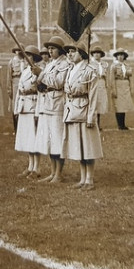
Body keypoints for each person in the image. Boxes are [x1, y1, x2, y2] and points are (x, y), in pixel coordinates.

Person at [62, 42, 103, 190]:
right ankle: (82, 179)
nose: (70, 54)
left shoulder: (90, 70)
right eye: (69, 52)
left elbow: (93, 95)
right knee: (79, 146)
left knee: (88, 146)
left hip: (85, 111)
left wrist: (91, 116)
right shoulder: (70, 70)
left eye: (73, 51)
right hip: (72, 111)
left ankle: (89, 180)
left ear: (82, 54)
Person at [34, 36, 71, 183]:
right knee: (49, 140)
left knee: (57, 139)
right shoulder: (50, 64)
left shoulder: (64, 64)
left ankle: (58, 174)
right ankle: (52, 171)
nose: (50, 51)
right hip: (46, 103)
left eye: (53, 48)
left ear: (60, 50)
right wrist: (39, 80)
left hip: (57, 104)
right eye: (49, 48)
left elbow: (58, 82)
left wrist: (40, 75)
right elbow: (43, 82)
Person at [14, 45, 43, 179]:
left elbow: (41, 92)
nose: (26, 59)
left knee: (35, 138)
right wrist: (16, 109)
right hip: (24, 106)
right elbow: (20, 91)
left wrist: (38, 112)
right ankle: (30, 166)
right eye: (25, 56)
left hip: (33, 105)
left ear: (34, 58)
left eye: (29, 56)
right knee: (27, 138)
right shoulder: (25, 71)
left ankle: (36, 168)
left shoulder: (38, 71)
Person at [109, 49, 134, 130]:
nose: (120, 57)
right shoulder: (114, 66)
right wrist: (113, 89)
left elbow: (131, 78)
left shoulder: (127, 66)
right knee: (118, 106)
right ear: (116, 57)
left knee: (124, 106)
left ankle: (123, 124)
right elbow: (111, 79)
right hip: (118, 85)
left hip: (126, 85)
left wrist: (131, 88)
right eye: (118, 55)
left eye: (122, 55)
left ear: (124, 56)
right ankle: (120, 125)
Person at [89, 46, 109, 129]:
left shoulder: (104, 64)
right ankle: (93, 122)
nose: (96, 55)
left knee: (100, 103)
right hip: (94, 84)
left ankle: (98, 123)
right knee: (94, 103)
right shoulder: (90, 64)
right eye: (95, 53)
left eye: (98, 53)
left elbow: (107, 75)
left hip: (102, 84)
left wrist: (106, 81)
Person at [6, 46, 25, 133]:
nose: (19, 52)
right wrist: (9, 88)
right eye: (17, 50)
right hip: (15, 81)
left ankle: (24, 127)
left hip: (25, 82)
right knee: (15, 105)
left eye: (20, 50)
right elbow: (9, 76)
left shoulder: (26, 61)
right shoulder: (12, 61)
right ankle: (16, 128)